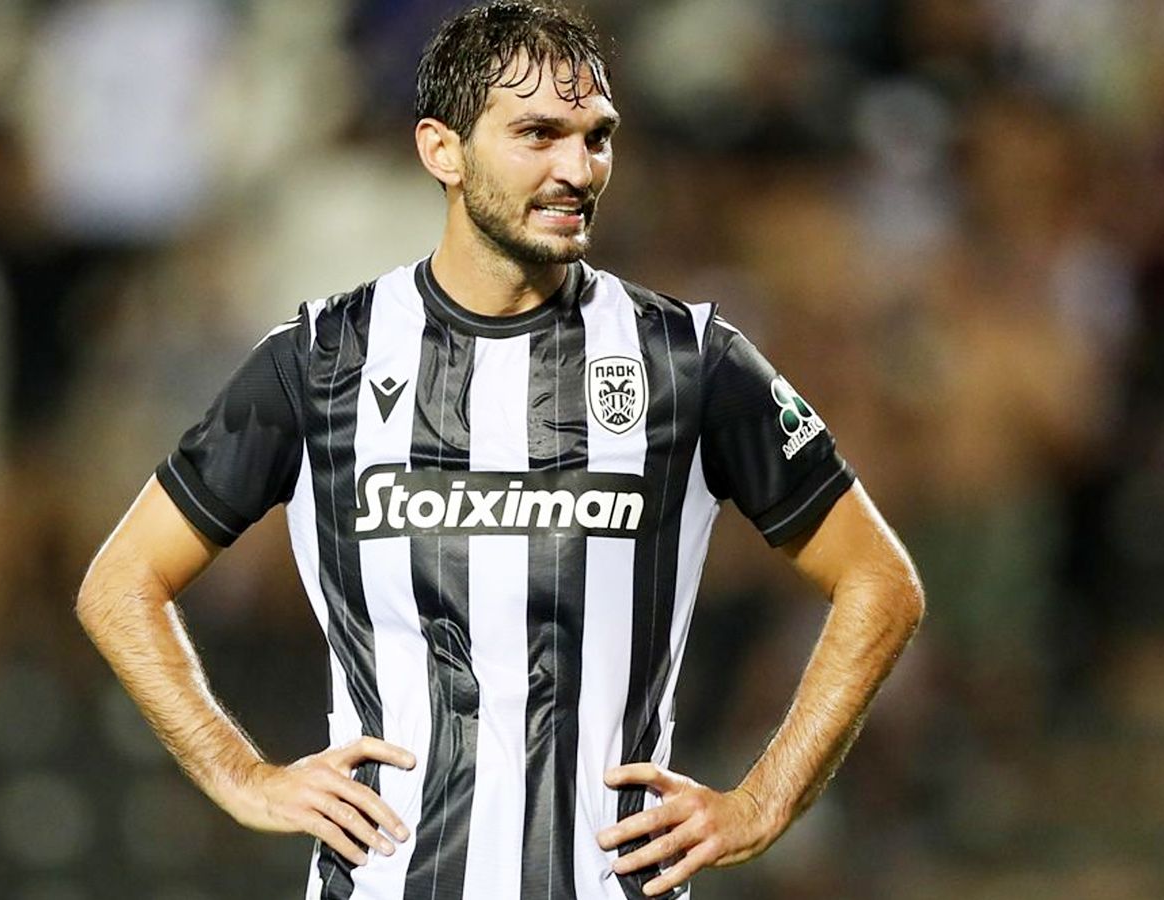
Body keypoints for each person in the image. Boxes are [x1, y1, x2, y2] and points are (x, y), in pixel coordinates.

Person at [76, 3, 924, 898]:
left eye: (597, 138)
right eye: (538, 135)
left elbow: (881, 581)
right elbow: (121, 584)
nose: (577, 169)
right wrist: (239, 775)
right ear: (442, 150)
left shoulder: (688, 361)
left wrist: (764, 802)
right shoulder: (321, 360)